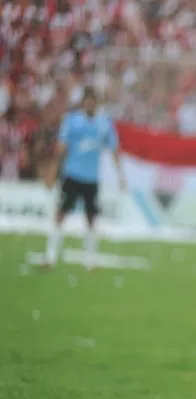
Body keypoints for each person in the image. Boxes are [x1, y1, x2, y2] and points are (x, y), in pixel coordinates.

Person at [43, 87, 126, 270]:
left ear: (96, 103)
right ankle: (50, 255)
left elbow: (114, 150)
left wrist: (121, 175)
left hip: (91, 179)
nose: (90, 104)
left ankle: (90, 259)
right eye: (87, 101)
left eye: (93, 101)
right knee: (60, 213)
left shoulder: (104, 123)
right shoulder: (72, 121)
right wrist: (52, 172)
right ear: (83, 102)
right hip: (72, 175)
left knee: (91, 217)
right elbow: (61, 148)